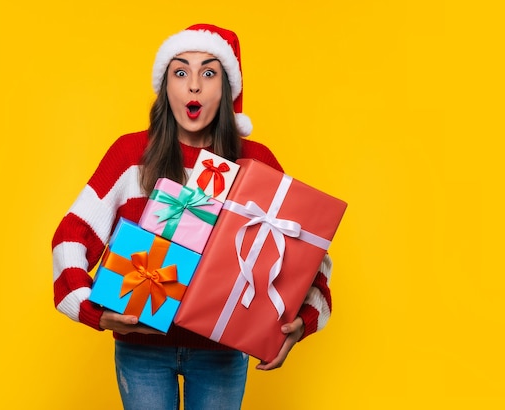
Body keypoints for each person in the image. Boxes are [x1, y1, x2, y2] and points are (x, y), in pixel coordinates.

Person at [51, 24, 333, 410]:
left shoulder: (257, 164)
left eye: (209, 73)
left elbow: (308, 253)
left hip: (221, 352)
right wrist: (91, 310)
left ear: (226, 89)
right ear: (166, 86)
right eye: (181, 72)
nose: (194, 86)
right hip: (142, 350)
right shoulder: (131, 154)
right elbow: (71, 236)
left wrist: (302, 321)